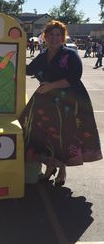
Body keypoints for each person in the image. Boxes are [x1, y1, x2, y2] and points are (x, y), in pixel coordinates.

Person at [19, 20, 102, 187]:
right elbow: (28, 70)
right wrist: (11, 56)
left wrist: (51, 86)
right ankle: (50, 166)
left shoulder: (70, 55)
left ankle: (62, 169)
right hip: (46, 100)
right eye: (51, 35)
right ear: (45, 37)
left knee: (64, 134)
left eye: (58, 35)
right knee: (43, 134)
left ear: (63, 37)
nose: (54, 38)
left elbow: (74, 77)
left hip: (68, 101)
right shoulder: (42, 56)